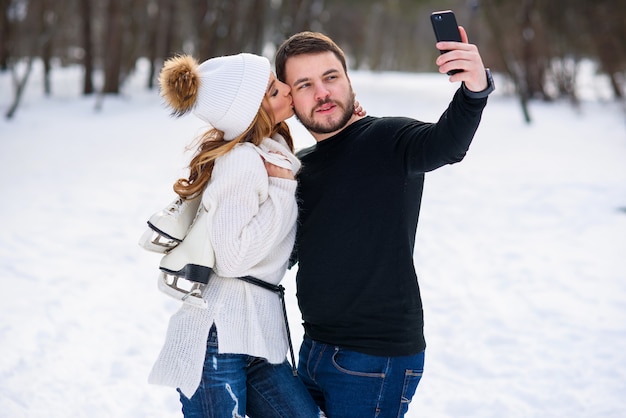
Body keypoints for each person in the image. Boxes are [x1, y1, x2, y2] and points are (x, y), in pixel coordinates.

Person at [274, 29, 495, 417]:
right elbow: (281, 252)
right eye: (304, 84)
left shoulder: (387, 138)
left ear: (348, 80)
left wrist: (474, 91)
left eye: (330, 77)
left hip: (373, 359)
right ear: (290, 99)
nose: (322, 93)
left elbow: (447, 143)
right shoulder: (301, 168)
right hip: (313, 348)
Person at [147, 52, 321, 418]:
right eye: (275, 91)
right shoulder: (244, 161)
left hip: (253, 333)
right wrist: (280, 188)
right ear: (253, 112)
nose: (288, 90)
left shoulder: (269, 154)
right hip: (218, 336)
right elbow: (234, 258)